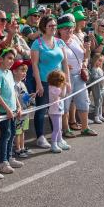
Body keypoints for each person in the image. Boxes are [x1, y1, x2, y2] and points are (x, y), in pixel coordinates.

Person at [30, 16, 69, 148]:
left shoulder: (60, 42)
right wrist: (38, 84)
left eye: (54, 25)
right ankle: (40, 137)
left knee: (57, 110)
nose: (53, 28)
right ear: (43, 28)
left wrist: (67, 81)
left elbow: (64, 62)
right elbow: (34, 64)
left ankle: (57, 137)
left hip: (59, 82)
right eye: (50, 26)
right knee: (42, 109)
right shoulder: (37, 43)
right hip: (44, 81)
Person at [58, 14, 96, 137]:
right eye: (65, 28)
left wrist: (87, 52)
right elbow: (54, 60)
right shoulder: (57, 42)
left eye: (70, 27)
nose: (69, 30)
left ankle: (85, 127)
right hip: (65, 77)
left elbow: (85, 56)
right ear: (59, 29)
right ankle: (66, 129)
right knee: (65, 103)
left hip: (79, 75)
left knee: (84, 101)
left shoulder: (75, 38)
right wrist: (63, 66)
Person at [0, 47, 23, 174]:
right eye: (9, 58)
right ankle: (3, 162)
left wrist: (18, 106)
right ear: (1, 59)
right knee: (6, 135)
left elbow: (13, 92)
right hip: (5, 111)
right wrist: (6, 109)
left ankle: (9, 157)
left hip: (12, 109)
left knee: (12, 134)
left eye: (13, 58)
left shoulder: (10, 73)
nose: (12, 61)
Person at [11, 61, 33, 158]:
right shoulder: (13, 84)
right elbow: (15, 98)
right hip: (18, 112)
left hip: (25, 111)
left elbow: (24, 96)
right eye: (22, 70)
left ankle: (22, 147)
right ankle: (17, 149)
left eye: (26, 71)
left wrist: (30, 97)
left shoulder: (22, 83)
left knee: (23, 130)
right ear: (14, 71)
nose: (24, 73)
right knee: (18, 131)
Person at [46, 69, 68, 153]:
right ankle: (53, 144)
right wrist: (64, 86)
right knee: (56, 129)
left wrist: (63, 86)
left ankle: (60, 141)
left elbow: (62, 95)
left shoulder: (54, 87)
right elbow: (62, 95)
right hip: (54, 111)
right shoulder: (53, 88)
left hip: (58, 110)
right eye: (62, 80)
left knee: (59, 128)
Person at [89, 53, 104, 124]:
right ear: (95, 60)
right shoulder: (93, 69)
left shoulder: (100, 69)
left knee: (101, 102)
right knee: (97, 102)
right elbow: (94, 78)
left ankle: (100, 115)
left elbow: (103, 80)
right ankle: (96, 116)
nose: (100, 62)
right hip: (96, 88)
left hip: (102, 88)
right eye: (99, 60)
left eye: (101, 61)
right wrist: (101, 78)